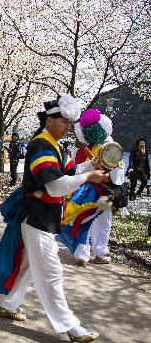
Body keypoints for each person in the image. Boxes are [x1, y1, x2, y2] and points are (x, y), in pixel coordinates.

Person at [0, 94, 106, 342]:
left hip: (45, 216)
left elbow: (70, 170)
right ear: (50, 120)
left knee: (30, 266)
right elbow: (56, 187)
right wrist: (88, 176)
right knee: (51, 271)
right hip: (37, 216)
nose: (68, 127)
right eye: (64, 122)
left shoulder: (55, 145)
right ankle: (70, 325)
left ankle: (6, 304)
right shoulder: (41, 145)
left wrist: (91, 165)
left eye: (70, 124)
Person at [62, 109, 123, 267]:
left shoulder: (82, 151)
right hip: (101, 191)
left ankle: (82, 253)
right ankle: (99, 252)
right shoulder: (110, 147)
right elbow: (117, 176)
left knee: (84, 221)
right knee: (100, 223)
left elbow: (75, 170)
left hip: (84, 191)